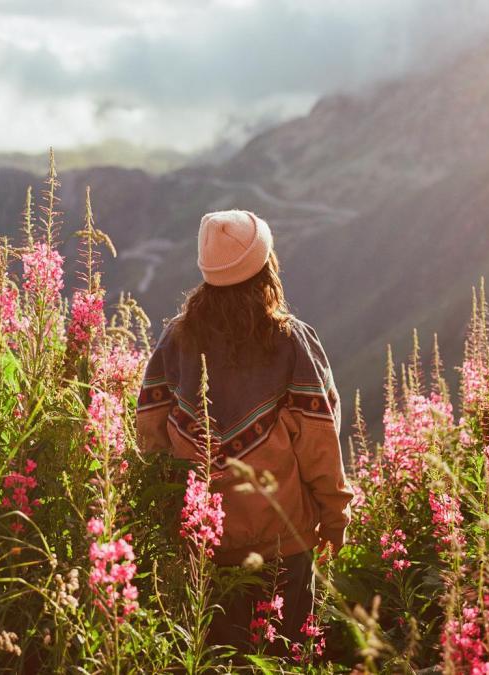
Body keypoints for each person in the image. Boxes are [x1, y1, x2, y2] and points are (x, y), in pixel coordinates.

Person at [135, 209, 353, 652]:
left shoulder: (176, 341)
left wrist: (166, 520)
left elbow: (150, 437)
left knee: (218, 659)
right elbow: (320, 442)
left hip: (203, 549)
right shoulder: (291, 342)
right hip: (284, 548)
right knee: (287, 656)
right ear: (266, 268)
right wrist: (335, 517)